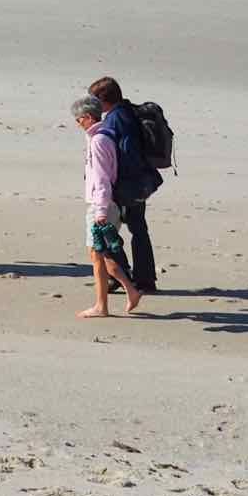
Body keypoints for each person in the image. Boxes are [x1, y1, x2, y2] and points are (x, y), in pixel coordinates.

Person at [72, 93, 144, 318]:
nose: (77, 123)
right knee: (102, 256)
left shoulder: (99, 140)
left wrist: (101, 210)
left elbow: (102, 179)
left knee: (98, 256)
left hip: (102, 205)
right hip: (105, 203)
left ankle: (102, 306)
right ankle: (130, 291)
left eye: (79, 119)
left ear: (88, 117)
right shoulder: (102, 136)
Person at [91, 75, 161, 293]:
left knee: (108, 230)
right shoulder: (128, 111)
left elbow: (127, 152)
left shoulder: (116, 118)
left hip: (126, 185)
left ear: (104, 101)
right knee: (138, 229)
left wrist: (117, 185)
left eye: (95, 101)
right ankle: (145, 279)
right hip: (140, 181)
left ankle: (119, 276)